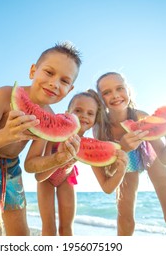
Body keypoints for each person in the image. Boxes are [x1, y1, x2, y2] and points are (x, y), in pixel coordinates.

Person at [0, 42, 82, 236]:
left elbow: (33, 167)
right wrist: (5, 135)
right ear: (33, 71)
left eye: (64, 81)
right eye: (49, 73)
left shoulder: (49, 116)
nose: (54, 83)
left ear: (70, 89)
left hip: (12, 167)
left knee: (22, 235)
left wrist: (59, 160)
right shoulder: (4, 95)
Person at [94, 71, 166, 236]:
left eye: (120, 88)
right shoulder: (100, 128)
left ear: (128, 91)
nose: (115, 95)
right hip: (123, 158)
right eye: (107, 92)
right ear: (100, 99)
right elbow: (108, 173)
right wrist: (123, 149)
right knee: (125, 216)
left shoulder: (140, 116)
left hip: (149, 152)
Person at [35, 90, 128, 236]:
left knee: (67, 228)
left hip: (67, 178)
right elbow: (40, 176)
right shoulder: (54, 134)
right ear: (67, 112)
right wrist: (60, 158)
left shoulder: (89, 147)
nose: (84, 115)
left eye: (90, 113)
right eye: (78, 110)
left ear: (94, 120)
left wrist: (121, 171)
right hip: (46, 179)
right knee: (49, 226)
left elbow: (107, 187)